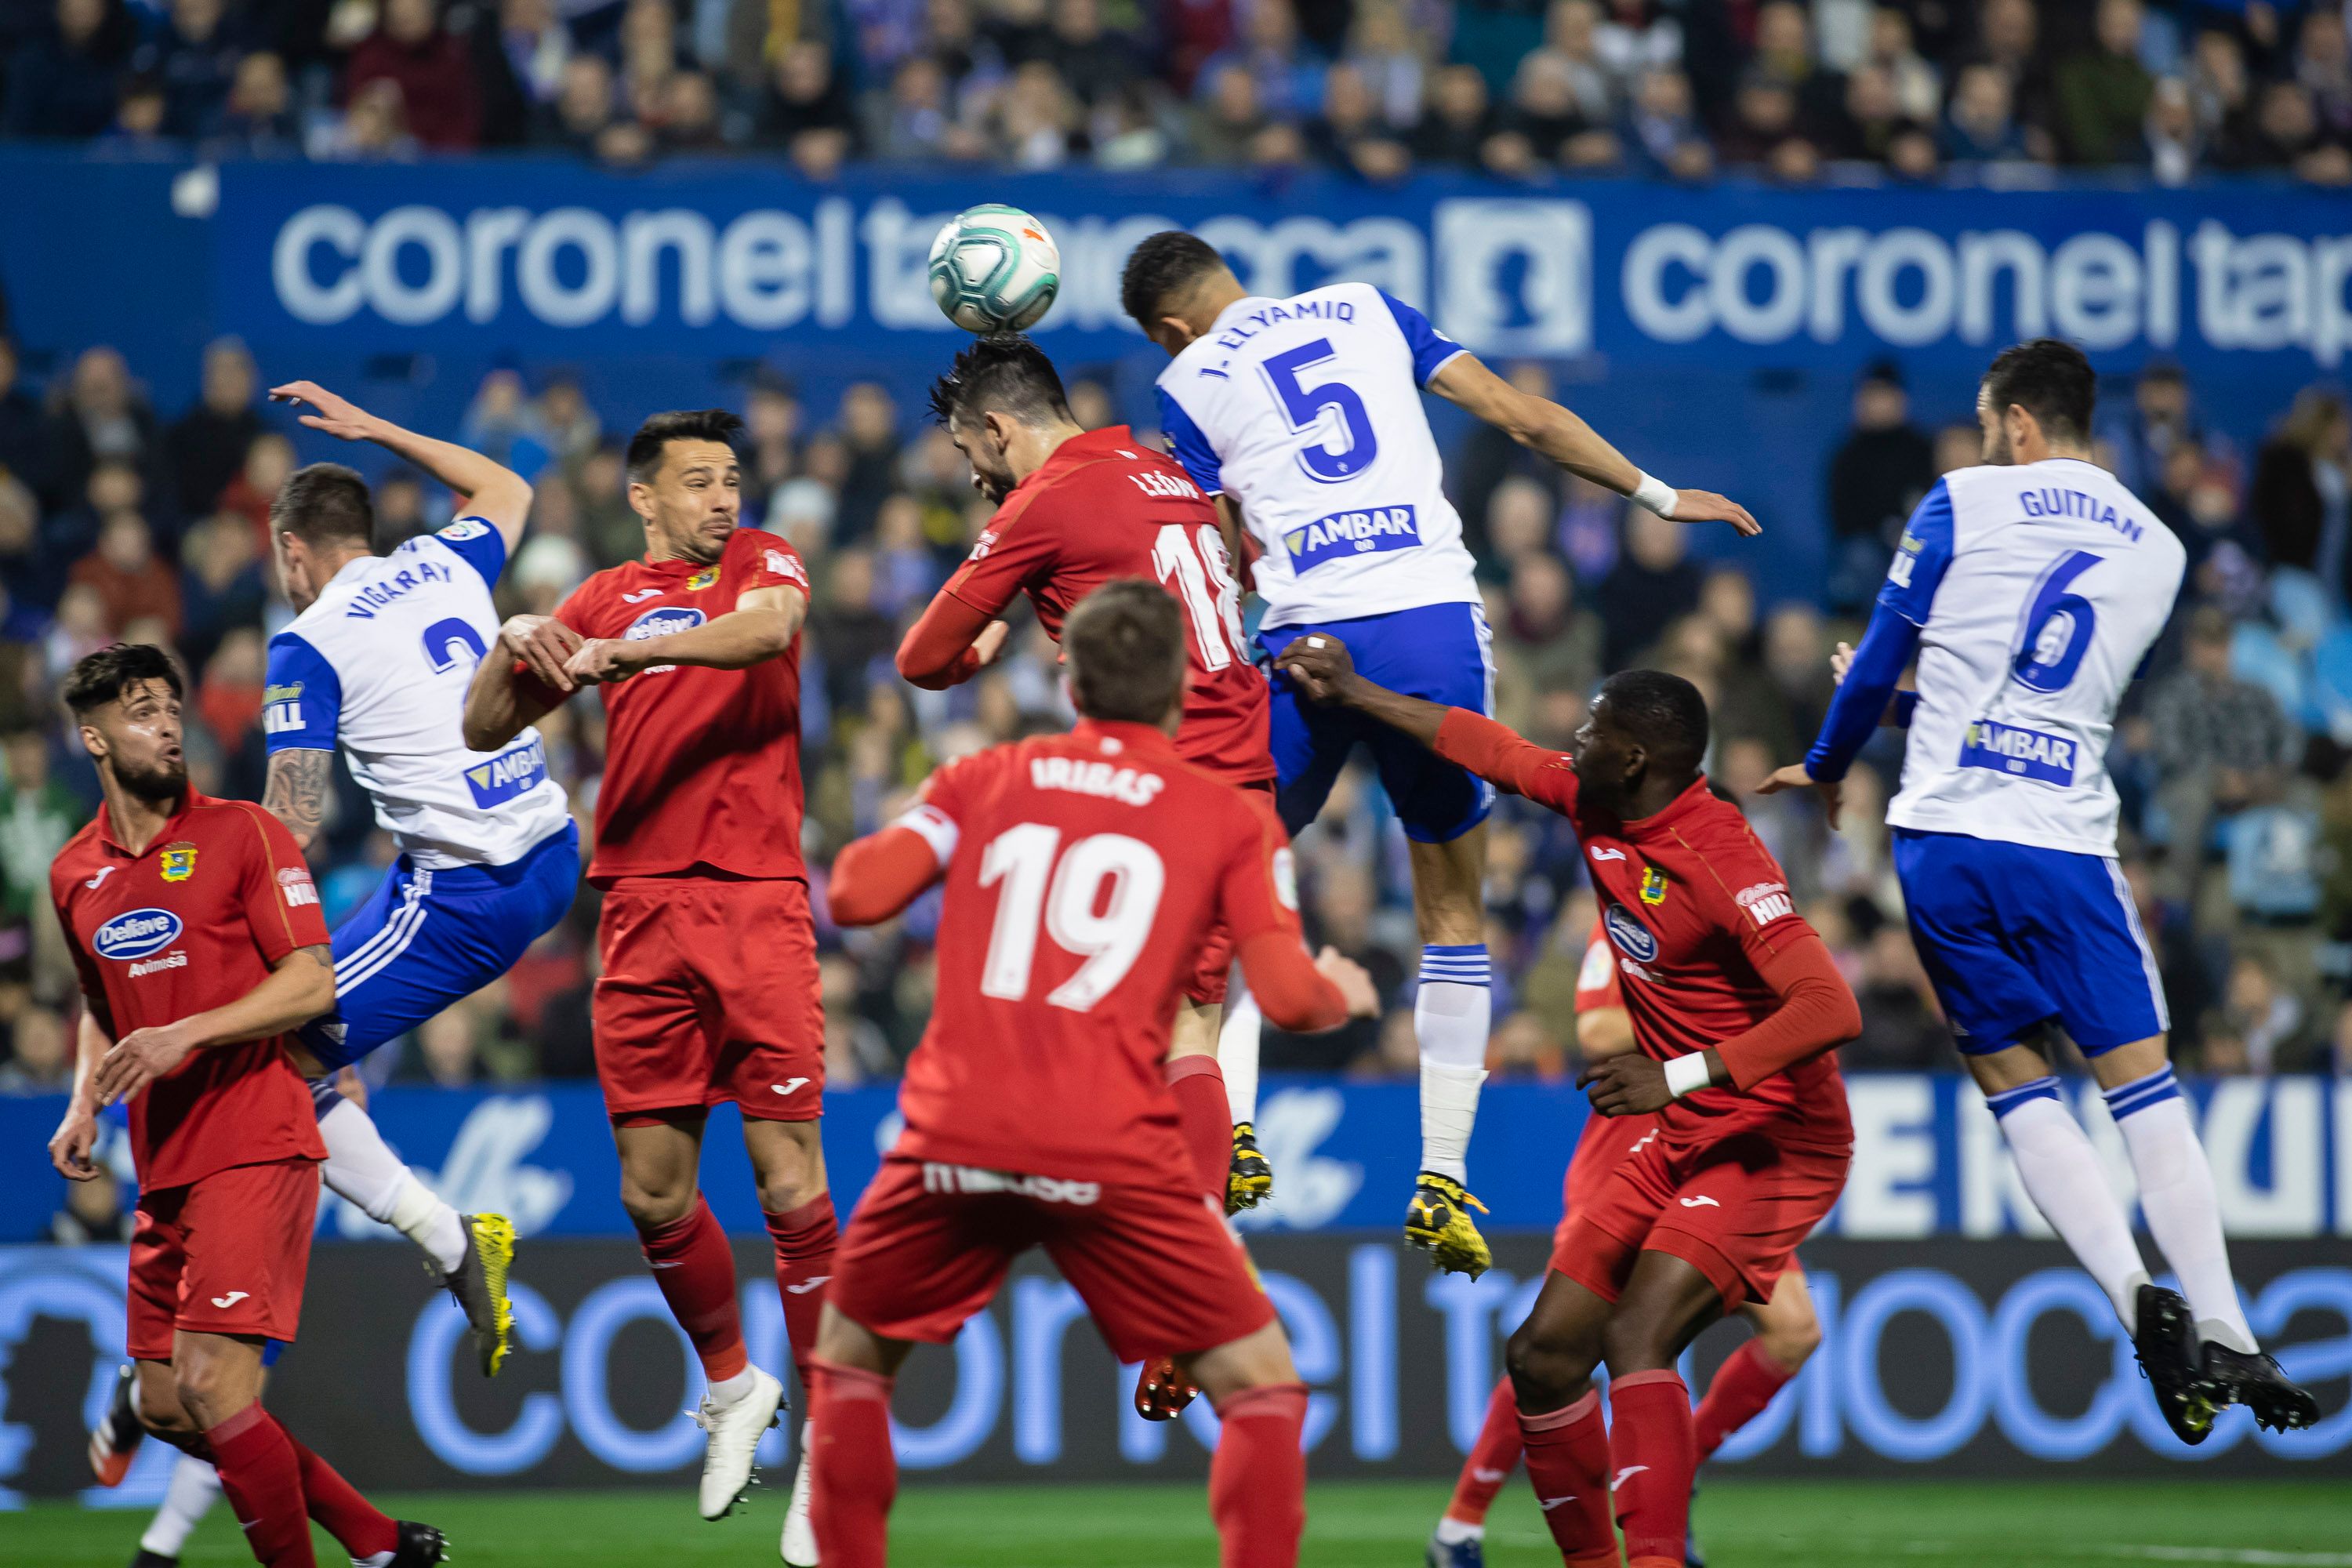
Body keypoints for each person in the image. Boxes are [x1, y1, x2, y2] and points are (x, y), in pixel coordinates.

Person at [1120, 228, 1759, 1278]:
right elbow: (1521, 416)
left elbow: (1215, 545)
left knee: (1217, 894)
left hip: (1305, 636)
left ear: (1170, 327)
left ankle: (1231, 1134)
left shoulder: (1187, 381)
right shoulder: (1367, 307)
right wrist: (1655, 494)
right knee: (1453, 912)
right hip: (1430, 627)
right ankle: (1444, 1175)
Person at [1762, 338, 2320, 1440]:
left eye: (1987, 426)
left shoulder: (1960, 501)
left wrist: (1828, 761)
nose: (1984, 444)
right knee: (2145, 1094)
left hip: (1944, 842)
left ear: (2017, 422)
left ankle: (2133, 1296)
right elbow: (2053, 688)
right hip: (2063, 839)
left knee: (2019, 1086)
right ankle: (2225, 1325)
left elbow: (1887, 663)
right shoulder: (2160, 547)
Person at [811, 579, 1375, 1568]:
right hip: (1110, 1141)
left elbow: (854, 893)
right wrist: (1343, 989)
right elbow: (1289, 999)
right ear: (1182, 689)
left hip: (954, 1132)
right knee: (1263, 1387)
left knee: (851, 1363)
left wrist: (923, 813)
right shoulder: (1227, 817)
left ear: (1069, 679)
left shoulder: (984, 775)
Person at [1279, 639, 1855, 1568]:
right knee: (1542, 1356)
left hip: (1776, 1133)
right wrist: (1356, 692)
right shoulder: (1595, 799)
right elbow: (1488, 744)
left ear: (1634, 757)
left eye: (1593, 728)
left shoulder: (1721, 857)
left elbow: (1832, 1007)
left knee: (1638, 1334)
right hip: (1683, 1127)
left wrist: (1678, 1073)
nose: (1573, 738)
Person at [461, 408, 829, 1556]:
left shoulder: (763, 563)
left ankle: (832, 1445)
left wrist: (634, 654)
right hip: (638, 909)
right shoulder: (603, 595)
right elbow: (482, 727)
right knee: (654, 1193)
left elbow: (769, 634)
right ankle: (734, 1385)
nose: (724, 499)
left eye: (732, 479)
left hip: (756, 901)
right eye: (700, 482)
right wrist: (519, 641)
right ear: (644, 498)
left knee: (788, 1181)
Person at [46, 643, 445, 1568]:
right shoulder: (74, 873)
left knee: (218, 1388)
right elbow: (102, 1005)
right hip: (164, 1158)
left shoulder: (245, 833)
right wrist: (82, 1103)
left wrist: (188, 1034)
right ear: (94, 738)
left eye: (170, 707)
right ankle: (378, 1541)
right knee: (164, 1404)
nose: (166, 725)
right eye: (141, 711)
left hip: (256, 1132)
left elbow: (311, 982)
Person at [894, 335, 1276, 1229]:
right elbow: (1241, 571)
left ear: (997, 429)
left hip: (1160, 780)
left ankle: (1188, 1261)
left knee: (1149, 1026)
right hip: (1246, 770)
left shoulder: (1045, 500)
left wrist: (979, 651)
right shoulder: (1167, 472)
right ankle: (1184, 1238)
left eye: (969, 450)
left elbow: (920, 658)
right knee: (1189, 1023)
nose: (974, 475)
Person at [262, 381, 579, 1373]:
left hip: (470, 894)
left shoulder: (306, 642)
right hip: (549, 849)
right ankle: (336, 1052)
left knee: (263, 1060)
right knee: (308, 1025)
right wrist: (379, 429)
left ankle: (450, 1239)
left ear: (293, 552)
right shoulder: (441, 558)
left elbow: (292, 822)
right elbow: (508, 487)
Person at [1428, 918, 1822, 1568]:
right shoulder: (1630, 918)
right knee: (1561, 1347)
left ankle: (1678, 1471)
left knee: (1795, 1330)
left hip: (1717, 1155)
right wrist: (1725, 1025)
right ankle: (1461, 1524)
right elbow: (1599, 1030)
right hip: (1630, 1155)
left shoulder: (1750, 920)